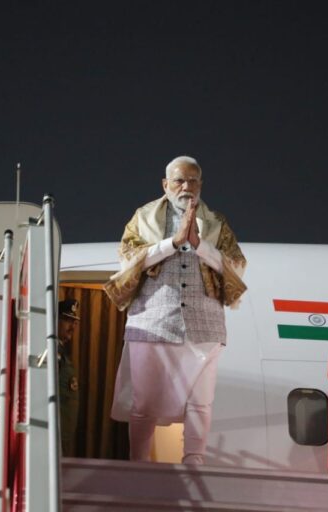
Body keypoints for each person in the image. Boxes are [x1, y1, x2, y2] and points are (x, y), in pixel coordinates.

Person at [104, 155, 247, 464]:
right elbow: (126, 259)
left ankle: (194, 460)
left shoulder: (215, 223)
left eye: (193, 180)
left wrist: (199, 244)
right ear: (165, 184)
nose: (187, 187)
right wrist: (173, 242)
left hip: (204, 322)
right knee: (144, 401)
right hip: (153, 318)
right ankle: (138, 463)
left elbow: (237, 265)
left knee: (201, 400)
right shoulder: (144, 218)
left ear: (201, 184)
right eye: (180, 180)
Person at [57, 299, 81, 456]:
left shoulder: (61, 352)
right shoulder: (53, 352)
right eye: (67, 320)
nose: (72, 326)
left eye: (74, 322)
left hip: (61, 436)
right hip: (53, 435)